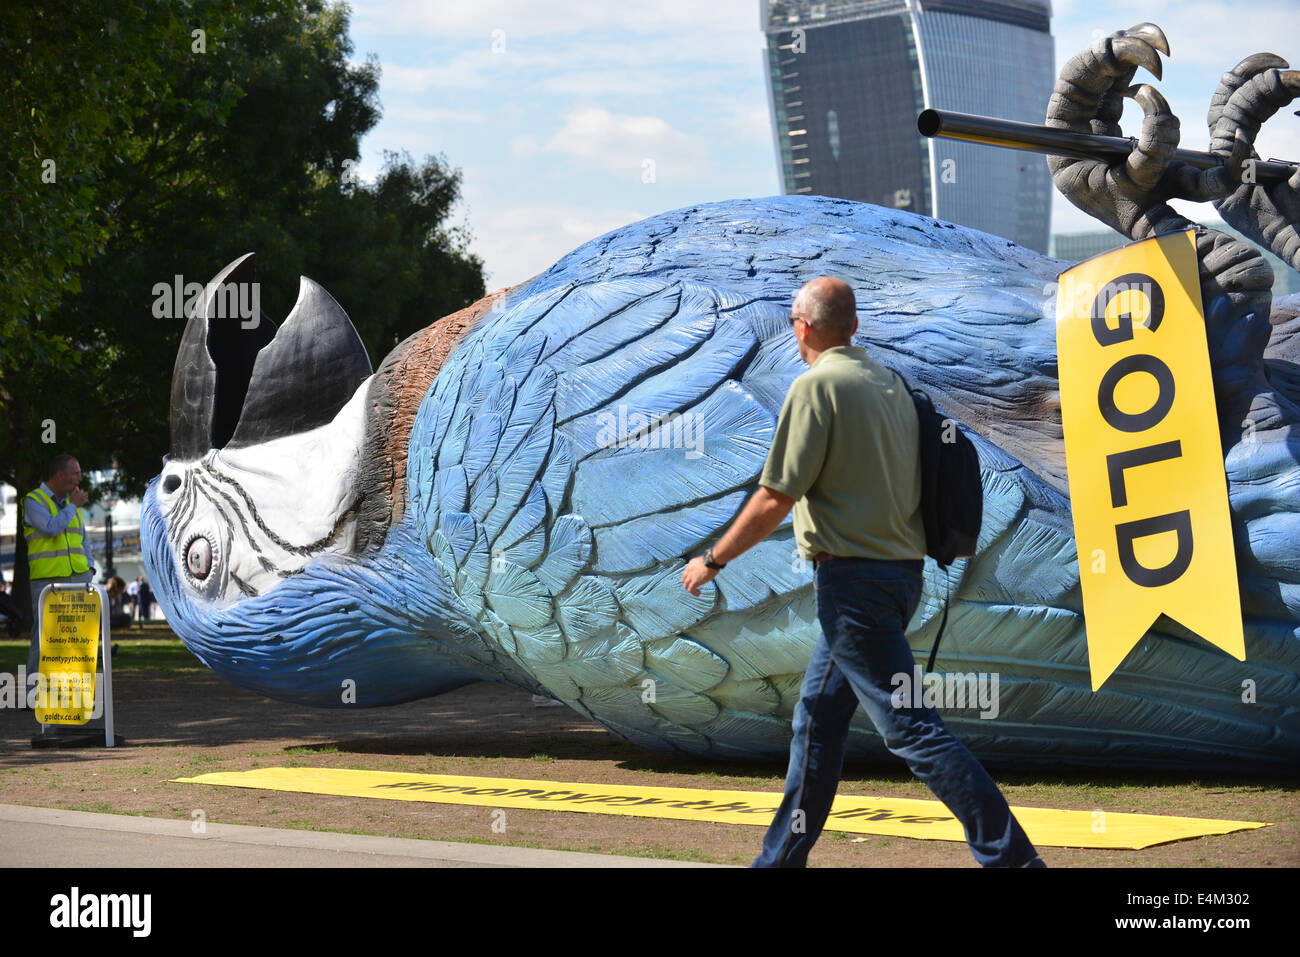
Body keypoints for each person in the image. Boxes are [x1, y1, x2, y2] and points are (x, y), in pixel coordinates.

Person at [681, 276, 1044, 868]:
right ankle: (778, 862)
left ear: (802, 326)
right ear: (852, 326)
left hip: (853, 587)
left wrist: (713, 560)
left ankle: (1015, 862)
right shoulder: (891, 385)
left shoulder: (816, 387)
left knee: (910, 730)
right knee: (818, 721)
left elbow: (776, 496)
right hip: (899, 578)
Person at [22, 454, 97, 701]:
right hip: (48, 582)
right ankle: (33, 696)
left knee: (77, 638)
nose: (80, 478)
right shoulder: (34, 501)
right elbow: (51, 527)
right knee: (44, 637)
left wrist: (90, 569)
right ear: (59, 475)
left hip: (79, 578)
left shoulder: (70, 504)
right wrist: (73, 506)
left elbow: (83, 540)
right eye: (75, 473)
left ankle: (69, 694)